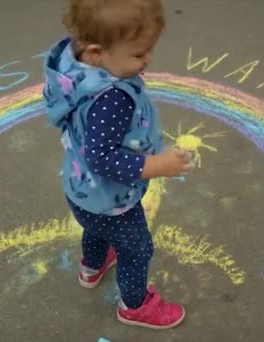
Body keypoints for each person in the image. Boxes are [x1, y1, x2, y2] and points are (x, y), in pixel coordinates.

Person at [42, 0, 192, 330]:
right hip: (112, 199)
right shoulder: (111, 99)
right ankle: (135, 305)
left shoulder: (76, 69)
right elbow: (103, 158)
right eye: (139, 54)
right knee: (138, 248)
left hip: (82, 191)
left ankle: (92, 267)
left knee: (95, 228)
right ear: (97, 53)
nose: (148, 59)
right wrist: (157, 165)